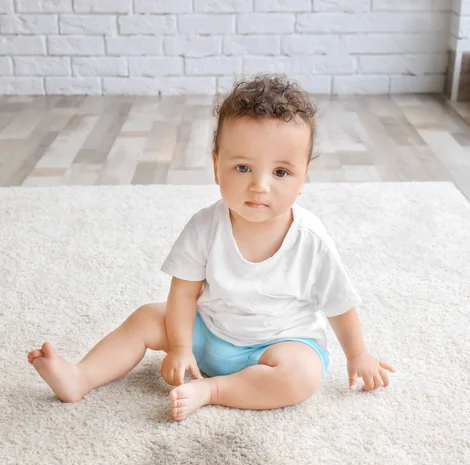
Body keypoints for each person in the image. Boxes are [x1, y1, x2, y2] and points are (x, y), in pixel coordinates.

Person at [28, 73, 395, 421]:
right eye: (243, 168)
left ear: (302, 180)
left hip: (277, 345)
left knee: (303, 376)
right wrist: (182, 347)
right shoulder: (206, 226)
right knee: (145, 317)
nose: (260, 186)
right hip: (208, 334)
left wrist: (358, 354)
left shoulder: (311, 240)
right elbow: (184, 293)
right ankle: (80, 376)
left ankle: (214, 390)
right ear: (217, 167)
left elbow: (340, 305)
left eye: (281, 172)